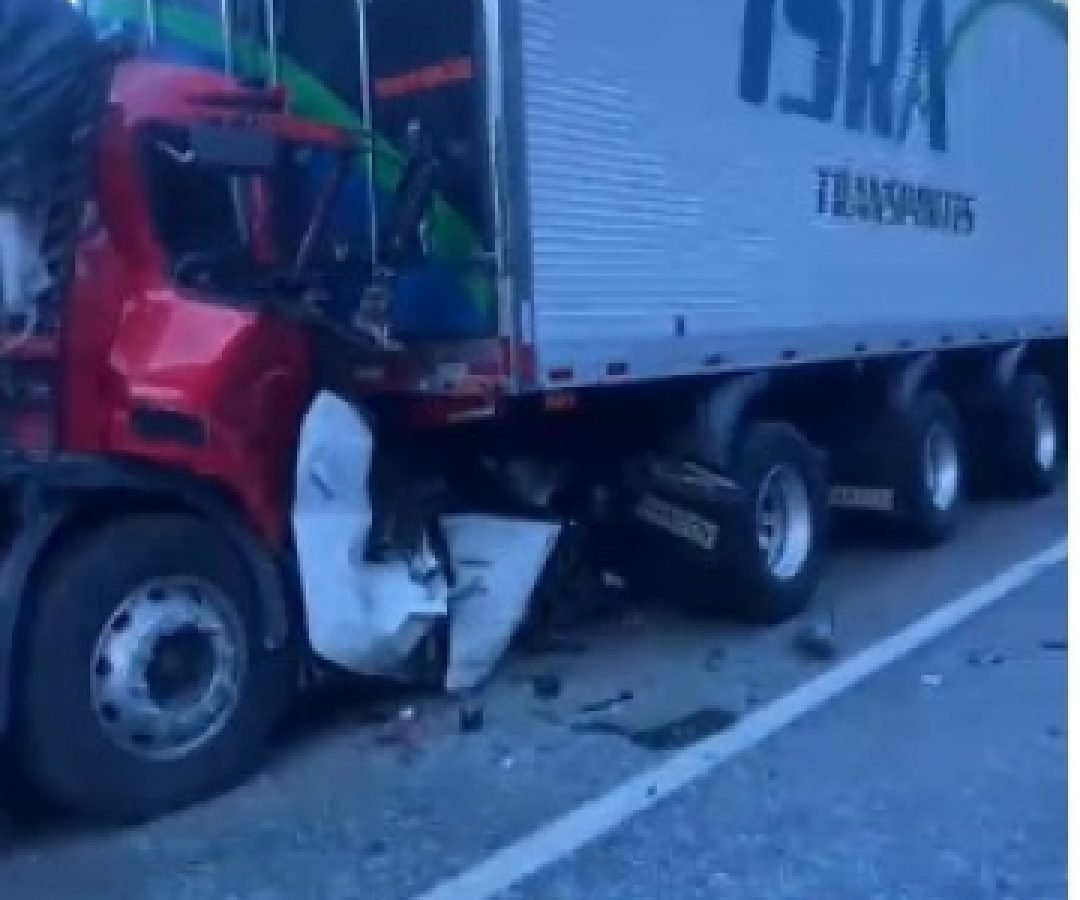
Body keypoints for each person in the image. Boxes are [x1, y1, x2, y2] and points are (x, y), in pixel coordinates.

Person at [0, 0, 103, 318]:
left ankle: (29, 307)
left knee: (21, 287)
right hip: (36, 150)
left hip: (24, 149)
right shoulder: (61, 24)